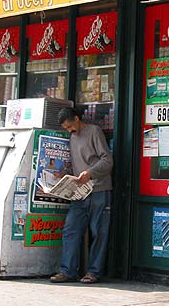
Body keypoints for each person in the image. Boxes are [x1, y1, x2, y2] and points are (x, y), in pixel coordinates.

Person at [50, 107, 113, 284]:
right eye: (66, 128)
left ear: (77, 119)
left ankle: (94, 272)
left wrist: (90, 173)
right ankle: (68, 270)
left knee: (98, 231)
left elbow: (107, 160)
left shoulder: (94, 132)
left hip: (99, 188)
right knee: (71, 229)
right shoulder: (72, 137)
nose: (69, 130)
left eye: (70, 126)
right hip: (79, 191)